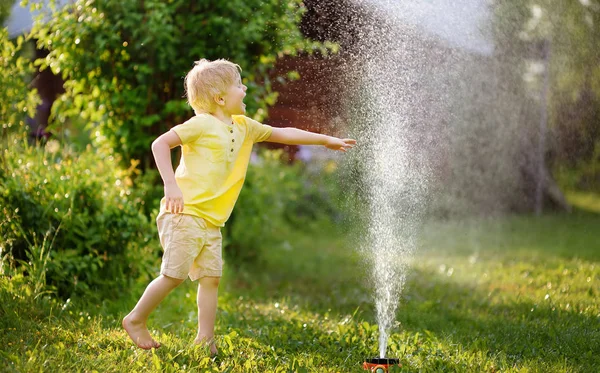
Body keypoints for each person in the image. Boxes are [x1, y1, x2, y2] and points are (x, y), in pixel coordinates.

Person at [122, 59, 356, 354]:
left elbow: (283, 133)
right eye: (238, 85)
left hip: (211, 220)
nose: (244, 89)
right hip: (185, 213)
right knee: (174, 274)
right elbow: (160, 144)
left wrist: (326, 140)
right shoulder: (201, 125)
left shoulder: (244, 127)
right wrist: (170, 184)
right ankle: (135, 318)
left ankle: (205, 338)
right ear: (220, 98)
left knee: (211, 278)